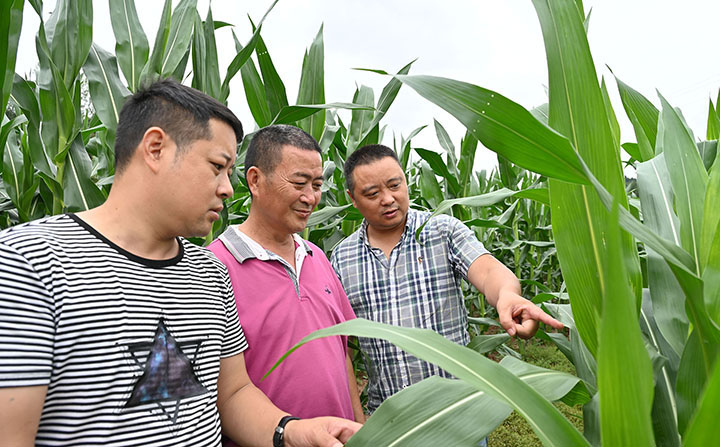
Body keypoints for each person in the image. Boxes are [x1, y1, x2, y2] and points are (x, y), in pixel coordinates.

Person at [0, 80, 360, 447]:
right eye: (217, 167)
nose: (228, 189)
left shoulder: (209, 273)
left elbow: (233, 393)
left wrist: (292, 431)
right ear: (155, 149)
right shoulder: (29, 262)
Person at [330, 144, 564, 414]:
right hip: (390, 418)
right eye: (372, 193)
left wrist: (508, 295)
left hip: (459, 409)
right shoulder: (342, 258)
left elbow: (488, 271)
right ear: (352, 198)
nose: (388, 199)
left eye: (395, 185)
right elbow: (340, 346)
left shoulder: (442, 230)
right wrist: (358, 420)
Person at [208, 125, 364, 426]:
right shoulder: (216, 267)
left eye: (317, 185)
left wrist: (358, 428)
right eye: (299, 183)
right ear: (255, 180)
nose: (310, 198)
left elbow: (340, 351)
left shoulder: (317, 257)